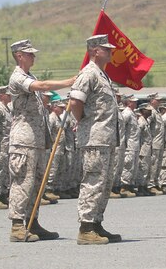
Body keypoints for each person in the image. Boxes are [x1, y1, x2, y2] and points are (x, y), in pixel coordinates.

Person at [8, 39, 74, 242]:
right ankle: (18, 226)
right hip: (23, 140)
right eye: (29, 54)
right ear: (19, 56)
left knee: (36, 184)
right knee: (22, 183)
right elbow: (42, 86)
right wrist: (69, 82)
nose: (33, 56)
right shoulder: (18, 77)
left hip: (35, 141)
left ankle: (32, 222)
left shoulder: (30, 75)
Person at [69, 34, 121, 245]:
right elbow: (75, 102)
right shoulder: (88, 74)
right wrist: (83, 120)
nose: (110, 52)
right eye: (106, 49)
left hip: (105, 138)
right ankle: (86, 228)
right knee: (93, 182)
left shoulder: (102, 75)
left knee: (103, 183)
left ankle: (96, 224)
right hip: (94, 138)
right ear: (94, 51)